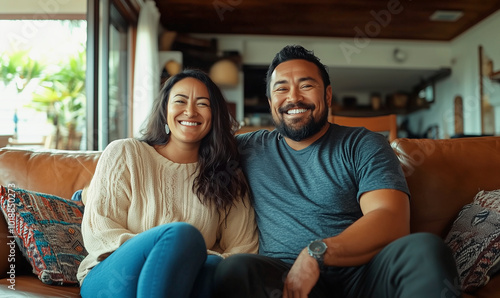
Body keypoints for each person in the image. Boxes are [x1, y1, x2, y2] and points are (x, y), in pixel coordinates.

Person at [214, 45, 460, 298]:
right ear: (270, 102)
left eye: (306, 85)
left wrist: (316, 253)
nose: (293, 97)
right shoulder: (249, 148)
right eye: (281, 88)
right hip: (288, 284)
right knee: (235, 269)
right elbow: (189, 150)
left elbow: (390, 217)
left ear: (328, 95)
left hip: (365, 277)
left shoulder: (363, 143)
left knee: (425, 249)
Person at [77, 69, 258, 298]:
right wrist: (174, 251)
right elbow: (99, 232)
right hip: (113, 276)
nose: (190, 111)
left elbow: (243, 250)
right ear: (165, 110)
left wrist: (186, 262)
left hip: (181, 282)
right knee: (182, 236)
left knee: (212, 270)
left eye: (202, 104)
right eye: (180, 101)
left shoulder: (228, 173)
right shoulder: (126, 153)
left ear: (214, 115)